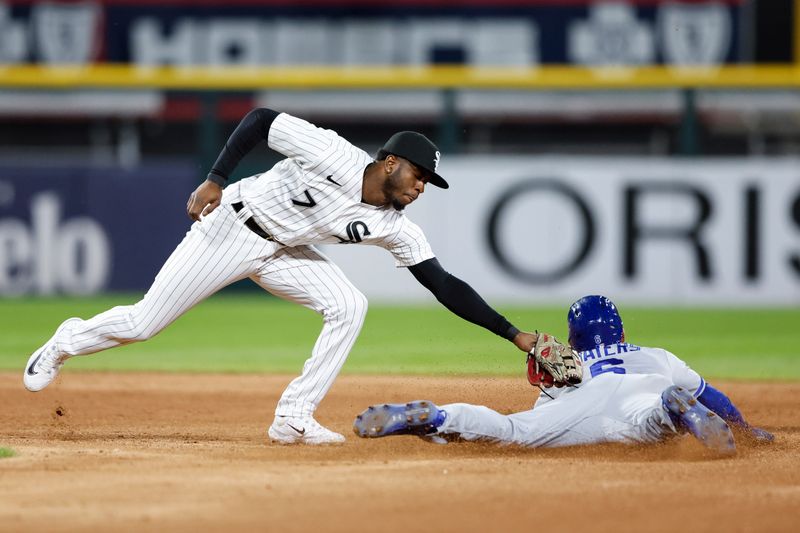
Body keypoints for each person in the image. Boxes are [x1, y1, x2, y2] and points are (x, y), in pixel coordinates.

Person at [23, 108, 542, 445]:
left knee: (349, 305)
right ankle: (66, 340)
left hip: (283, 250)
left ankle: (293, 416)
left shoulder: (395, 227)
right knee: (142, 324)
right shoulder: (334, 154)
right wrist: (215, 179)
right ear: (389, 163)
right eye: (420, 175)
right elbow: (259, 120)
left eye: (429, 181)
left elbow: (444, 284)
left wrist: (515, 335)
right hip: (230, 228)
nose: (423, 187)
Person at [353, 295, 774, 455]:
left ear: (573, 338)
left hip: (582, 396)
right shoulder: (658, 356)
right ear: (622, 333)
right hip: (648, 391)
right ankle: (673, 408)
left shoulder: (567, 361)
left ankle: (441, 417)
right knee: (656, 419)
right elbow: (715, 398)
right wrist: (747, 429)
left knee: (512, 430)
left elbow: (547, 406)